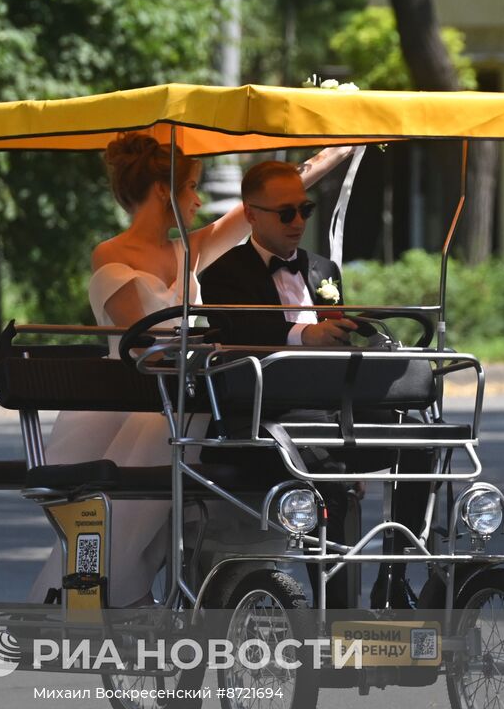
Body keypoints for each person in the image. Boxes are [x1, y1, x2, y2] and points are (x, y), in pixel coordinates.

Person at [27, 137, 352, 608]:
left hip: (193, 398)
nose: (199, 200)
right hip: (141, 404)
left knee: (230, 455)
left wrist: (336, 152)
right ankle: (108, 597)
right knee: (138, 513)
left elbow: (263, 206)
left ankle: (223, 595)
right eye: (193, 187)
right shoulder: (111, 255)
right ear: (165, 191)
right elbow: (144, 343)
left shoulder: (189, 250)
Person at [198, 160, 427, 610]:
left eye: (304, 208)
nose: (299, 221)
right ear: (251, 214)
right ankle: (334, 613)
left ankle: (395, 578)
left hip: (332, 404)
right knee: (331, 472)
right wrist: (303, 336)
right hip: (268, 412)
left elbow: (338, 336)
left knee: (418, 436)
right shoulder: (224, 274)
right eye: (285, 213)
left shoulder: (323, 270)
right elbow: (235, 336)